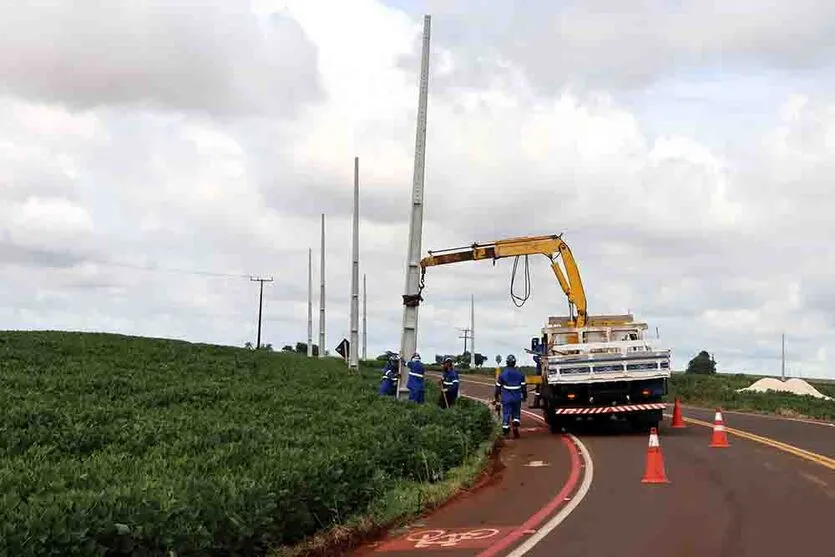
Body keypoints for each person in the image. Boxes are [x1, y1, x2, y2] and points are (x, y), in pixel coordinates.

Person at [494, 354, 527, 438]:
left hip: (506, 398)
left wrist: (496, 398)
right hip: (517, 398)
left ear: (507, 363)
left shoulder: (502, 374)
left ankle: (506, 432)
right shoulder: (520, 374)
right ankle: (515, 425)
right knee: (516, 413)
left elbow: (497, 388)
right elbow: (523, 388)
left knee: (506, 414)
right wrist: (524, 396)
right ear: (514, 363)